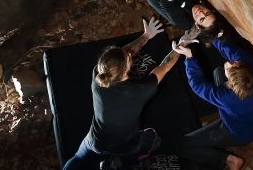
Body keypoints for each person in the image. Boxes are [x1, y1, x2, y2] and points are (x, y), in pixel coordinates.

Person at [63, 17, 182, 170]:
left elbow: (121, 54)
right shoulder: (139, 90)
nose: (130, 55)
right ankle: (120, 162)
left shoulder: (98, 75)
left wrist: (146, 36)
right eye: (129, 59)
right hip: (123, 144)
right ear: (125, 71)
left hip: (94, 142)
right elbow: (164, 67)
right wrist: (181, 46)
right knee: (151, 138)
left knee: (77, 161)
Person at [171, 28, 253, 170]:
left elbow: (198, 85)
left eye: (230, 70)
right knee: (218, 72)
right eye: (235, 64)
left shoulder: (226, 97)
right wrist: (211, 33)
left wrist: (189, 57)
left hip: (240, 132)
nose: (229, 64)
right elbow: (231, 50)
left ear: (232, 85)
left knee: (182, 145)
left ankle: (229, 160)